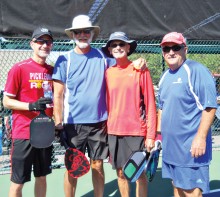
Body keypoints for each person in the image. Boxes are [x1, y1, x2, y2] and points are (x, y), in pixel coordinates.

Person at [52, 15, 147, 197]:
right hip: (73, 125)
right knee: (72, 168)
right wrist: (58, 123)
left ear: (92, 34)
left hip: (100, 124)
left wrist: (138, 61)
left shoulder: (104, 57)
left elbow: (123, 65)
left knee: (97, 165)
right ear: (72, 35)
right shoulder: (64, 60)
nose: (82, 35)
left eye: (86, 31)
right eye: (78, 32)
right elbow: (58, 95)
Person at [157, 32, 217, 197]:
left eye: (176, 47)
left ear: (185, 49)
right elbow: (162, 108)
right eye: (166, 48)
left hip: (190, 150)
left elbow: (210, 107)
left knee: (191, 193)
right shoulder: (164, 77)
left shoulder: (196, 70)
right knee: (177, 188)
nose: (170, 52)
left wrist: (200, 138)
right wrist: (157, 137)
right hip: (171, 150)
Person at [102, 31, 157, 197]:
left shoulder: (141, 70)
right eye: (114, 45)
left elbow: (150, 105)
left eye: (121, 44)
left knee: (139, 174)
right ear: (110, 50)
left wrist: (151, 136)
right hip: (114, 132)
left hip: (136, 132)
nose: (118, 47)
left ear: (128, 47)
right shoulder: (107, 72)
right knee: (121, 173)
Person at [3, 27, 54, 197]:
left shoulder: (52, 71)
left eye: (48, 42)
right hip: (23, 133)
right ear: (32, 44)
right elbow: (7, 101)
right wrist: (30, 106)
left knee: (42, 177)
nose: (44, 45)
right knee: (18, 182)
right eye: (40, 41)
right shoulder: (19, 68)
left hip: (45, 133)